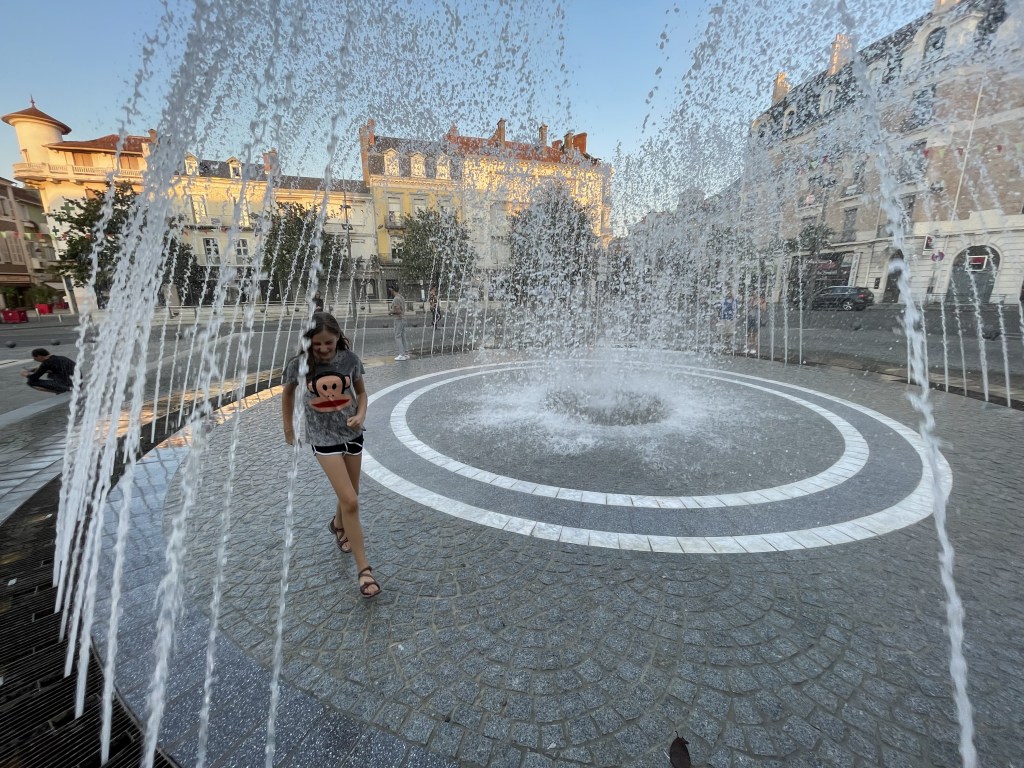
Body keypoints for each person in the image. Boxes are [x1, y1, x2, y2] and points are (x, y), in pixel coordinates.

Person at [281, 312, 379, 599]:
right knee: (351, 500)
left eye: (328, 342)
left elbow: (362, 394)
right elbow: (287, 394)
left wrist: (361, 415)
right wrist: (288, 429)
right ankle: (364, 570)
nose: (323, 348)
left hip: (352, 433)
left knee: (349, 493)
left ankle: (337, 525)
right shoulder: (299, 364)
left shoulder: (350, 360)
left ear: (338, 337)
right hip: (323, 438)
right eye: (317, 344)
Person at [388, 286, 409, 361]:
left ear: (392, 290)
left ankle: (401, 354)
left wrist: (390, 312)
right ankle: (406, 353)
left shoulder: (396, 299)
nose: (389, 291)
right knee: (403, 336)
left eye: (390, 290)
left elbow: (398, 311)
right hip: (403, 319)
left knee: (397, 336)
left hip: (399, 319)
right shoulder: (401, 297)